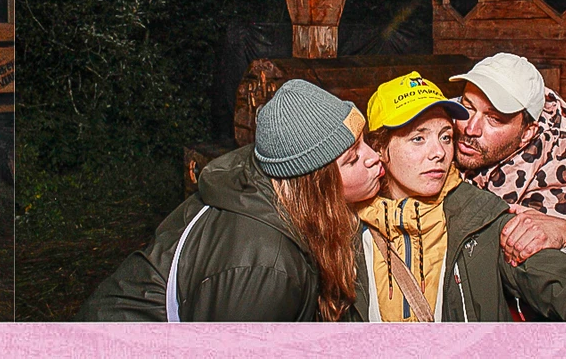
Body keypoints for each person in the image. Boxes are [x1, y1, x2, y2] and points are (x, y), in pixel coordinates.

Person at [352, 72, 566, 322]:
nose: (439, 152)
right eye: (418, 138)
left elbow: (557, 275)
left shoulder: (482, 219)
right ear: (379, 148)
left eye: (445, 137)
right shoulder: (344, 226)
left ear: (526, 132)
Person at [82, 79, 385, 321]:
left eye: (364, 142)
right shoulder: (266, 268)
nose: (374, 157)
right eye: (352, 158)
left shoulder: (276, 191)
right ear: (314, 185)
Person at [451, 53, 566, 272]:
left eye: (494, 119)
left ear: (527, 133)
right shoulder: (449, 118)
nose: (470, 129)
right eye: (468, 106)